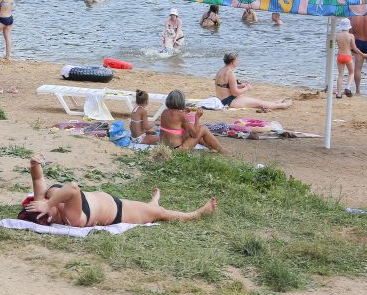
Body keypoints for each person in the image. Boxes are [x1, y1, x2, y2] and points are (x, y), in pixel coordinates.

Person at [20, 155, 217, 227]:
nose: (43, 204)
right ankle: (197, 214)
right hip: (118, 212)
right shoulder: (71, 218)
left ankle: (152, 203)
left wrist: (35, 163)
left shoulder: (44, 204)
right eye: (46, 208)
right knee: (159, 214)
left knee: (149, 209)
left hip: (110, 200)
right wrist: (48, 203)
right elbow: (72, 187)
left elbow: (38, 179)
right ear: (49, 216)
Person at [214, 53, 293, 109]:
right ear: (232, 62)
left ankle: (275, 102)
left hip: (222, 99)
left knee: (256, 101)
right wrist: (246, 88)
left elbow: (225, 86)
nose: (238, 62)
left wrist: (240, 86)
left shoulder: (221, 70)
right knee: (259, 103)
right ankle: (283, 105)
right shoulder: (230, 73)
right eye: (237, 60)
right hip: (229, 101)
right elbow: (235, 93)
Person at [158, 90, 224, 152]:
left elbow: (174, 121)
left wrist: (183, 113)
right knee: (203, 128)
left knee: (187, 133)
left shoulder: (164, 112)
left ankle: (211, 147)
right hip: (177, 149)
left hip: (165, 148)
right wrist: (197, 117)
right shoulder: (182, 116)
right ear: (181, 102)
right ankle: (221, 150)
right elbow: (195, 134)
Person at [334, 19, 364, 98]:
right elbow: (355, 48)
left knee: (340, 75)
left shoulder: (337, 35)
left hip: (340, 56)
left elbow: (331, 45)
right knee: (351, 72)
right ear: (348, 26)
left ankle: (339, 94)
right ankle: (348, 87)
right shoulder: (351, 36)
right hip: (348, 56)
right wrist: (363, 54)